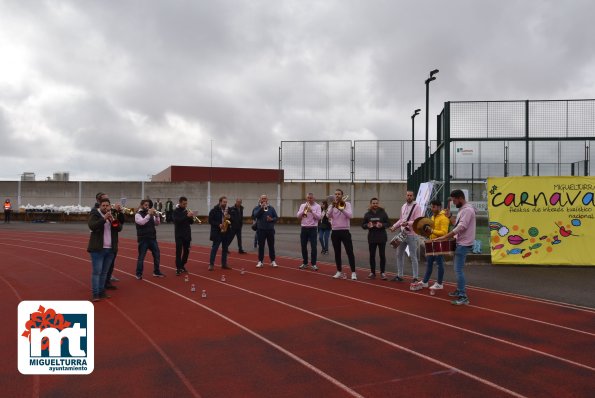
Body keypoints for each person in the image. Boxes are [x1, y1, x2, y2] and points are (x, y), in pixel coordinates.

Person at [434, 189, 476, 305]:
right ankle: (459, 291)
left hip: (464, 244)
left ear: (460, 198)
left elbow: (460, 227)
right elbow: (456, 224)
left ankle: (463, 296)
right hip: (460, 242)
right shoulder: (463, 209)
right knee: (457, 268)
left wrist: (444, 237)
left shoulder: (467, 210)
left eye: (454, 200)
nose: (453, 203)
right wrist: (450, 216)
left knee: (458, 270)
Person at [87, 197, 122, 302]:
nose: (106, 207)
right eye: (103, 206)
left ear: (110, 206)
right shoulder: (95, 214)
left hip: (110, 249)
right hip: (98, 249)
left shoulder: (112, 214)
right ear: (100, 206)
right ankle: (95, 294)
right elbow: (92, 226)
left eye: (107, 206)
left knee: (104, 272)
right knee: (97, 272)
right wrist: (103, 219)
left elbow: (119, 228)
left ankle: (102, 292)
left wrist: (112, 220)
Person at [413, 199, 450, 292]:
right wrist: (425, 232)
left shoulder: (444, 218)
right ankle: (425, 282)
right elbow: (430, 231)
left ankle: (439, 283)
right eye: (431, 206)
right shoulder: (433, 217)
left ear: (438, 207)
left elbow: (444, 233)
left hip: (439, 243)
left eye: (433, 206)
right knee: (429, 263)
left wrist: (432, 231)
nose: (432, 208)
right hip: (431, 242)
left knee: (439, 264)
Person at [389, 190, 423, 282]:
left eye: (411, 195)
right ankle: (400, 275)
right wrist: (394, 227)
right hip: (402, 234)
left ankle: (415, 277)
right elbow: (401, 219)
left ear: (413, 196)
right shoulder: (403, 206)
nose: (409, 197)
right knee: (399, 254)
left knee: (413, 256)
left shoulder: (417, 207)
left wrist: (407, 222)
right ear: (406, 196)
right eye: (408, 195)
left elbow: (417, 221)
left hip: (412, 235)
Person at [327, 189, 357, 280]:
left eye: (339, 194)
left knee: (349, 251)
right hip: (335, 231)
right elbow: (328, 216)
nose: (337, 195)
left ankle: (353, 272)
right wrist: (332, 207)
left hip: (345, 231)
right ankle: (339, 271)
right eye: (335, 194)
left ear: (342, 195)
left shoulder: (347, 204)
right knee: (337, 252)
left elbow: (351, 216)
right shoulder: (331, 205)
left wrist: (341, 209)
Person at [135, 199, 165, 279]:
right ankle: (138, 274)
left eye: (148, 205)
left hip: (152, 238)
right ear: (141, 205)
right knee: (141, 257)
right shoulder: (138, 214)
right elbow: (142, 222)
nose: (147, 206)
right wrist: (149, 215)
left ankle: (156, 271)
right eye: (145, 205)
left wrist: (157, 215)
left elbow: (157, 223)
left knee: (157, 255)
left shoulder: (151, 215)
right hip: (143, 239)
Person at [362, 197, 390, 280]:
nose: (375, 205)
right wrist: (367, 225)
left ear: (378, 204)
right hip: (372, 238)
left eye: (376, 203)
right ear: (371, 204)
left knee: (382, 255)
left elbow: (388, 223)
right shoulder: (367, 214)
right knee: (372, 256)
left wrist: (382, 225)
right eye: (373, 203)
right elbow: (363, 225)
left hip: (382, 237)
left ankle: (382, 273)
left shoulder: (383, 213)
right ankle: (372, 272)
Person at [252, 194, 278, 268]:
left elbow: (276, 218)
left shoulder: (271, 208)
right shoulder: (257, 208)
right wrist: (262, 208)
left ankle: (273, 261)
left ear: (267, 200)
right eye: (262, 198)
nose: (264, 200)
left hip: (270, 230)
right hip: (261, 230)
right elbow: (255, 216)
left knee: (271, 246)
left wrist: (271, 219)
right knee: (261, 246)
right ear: (260, 200)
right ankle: (260, 261)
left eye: (265, 198)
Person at [297, 193, 322, 271]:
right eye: (308, 198)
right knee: (303, 246)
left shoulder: (317, 206)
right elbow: (298, 216)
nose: (309, 199)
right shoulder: (302, 205)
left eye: (311, 198)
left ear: (313, 198)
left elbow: (319, 217)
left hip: (313, 228)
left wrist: (312, 211)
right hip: (304, 228)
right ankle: (305, 263)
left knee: (313, 247)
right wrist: (304, 210)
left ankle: (313, 264)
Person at [208, 196, 233, 271]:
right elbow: (210, 221)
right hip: (217, 232)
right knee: (215, 249)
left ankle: (224, 264)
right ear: (220, 202)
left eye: (226, 202)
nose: (225, 203)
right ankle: (211, 264)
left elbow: (232, 220)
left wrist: (229, 217)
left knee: (225, 249)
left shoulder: (228, 210)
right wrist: (218, 224)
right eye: (224, 202)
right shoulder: (214, 210)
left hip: (226, 232)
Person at [173, 196, 195, 275]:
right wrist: (186, 216)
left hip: (187, 234)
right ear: (179, 203)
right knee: (178, 252)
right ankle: (178, 268)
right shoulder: (176, 211)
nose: (185, 205)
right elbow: (177, 221)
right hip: (179, 235)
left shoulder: (186, 211)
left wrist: (191, 216)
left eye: (186, 204)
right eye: (184, 204)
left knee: (187, 251)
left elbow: (191, 222)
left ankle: (182, 265)